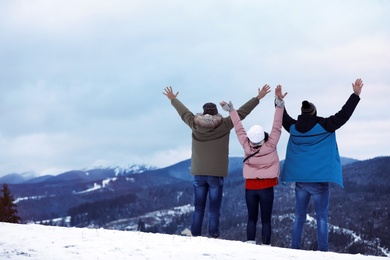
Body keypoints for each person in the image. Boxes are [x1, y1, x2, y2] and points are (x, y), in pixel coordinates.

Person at [163, 85, 271, 238]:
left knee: (198, 209)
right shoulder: (225, 125)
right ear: (216, 113)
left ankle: (195, 236)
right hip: (216, 174)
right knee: (214, 209)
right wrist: (258, 97)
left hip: (198, 173)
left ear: (203, 112)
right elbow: (242, 113)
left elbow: (183, 112)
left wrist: (173, 99)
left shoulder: (194, 124)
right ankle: (213, 236)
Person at [280, 79, 364, 251]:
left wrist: (279, 102)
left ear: (302, 113)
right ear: (314, 113)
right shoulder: (325, 125)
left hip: (301, 181)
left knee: (299, 216)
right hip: (319, 181)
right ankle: (323, 251)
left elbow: (283, 118)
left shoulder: (294, 127)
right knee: (322, 217)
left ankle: (294, 248)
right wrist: (355, 95)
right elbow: (343, 115)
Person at [220, 85, 287, 245]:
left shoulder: (246, 145)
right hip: (267, 188)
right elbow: (277, 126)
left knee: (251, 218)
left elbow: (238, 128)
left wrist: (231, 111)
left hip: (250, 188)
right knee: (266, 220)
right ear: (264, 135)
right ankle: (266, 245)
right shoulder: (271, 144)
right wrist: (279, 103)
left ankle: (250, 244)